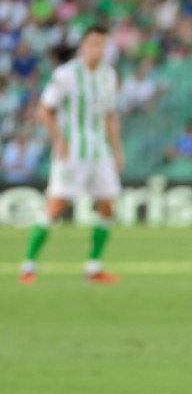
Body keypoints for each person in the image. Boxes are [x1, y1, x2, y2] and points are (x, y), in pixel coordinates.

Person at [19, 25, 124, 284]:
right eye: (93, 44)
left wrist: (117, 149)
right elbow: (44, 110)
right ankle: (28, 266)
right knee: (56, 207)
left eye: (102, 44)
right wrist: (59, 140)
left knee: (108, 207)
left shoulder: (108, 75)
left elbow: (110, 116)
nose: (98, 49)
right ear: (83, 46)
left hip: (99, 151)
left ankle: (93, 267)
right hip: (72, 153)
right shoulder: (65, 75)